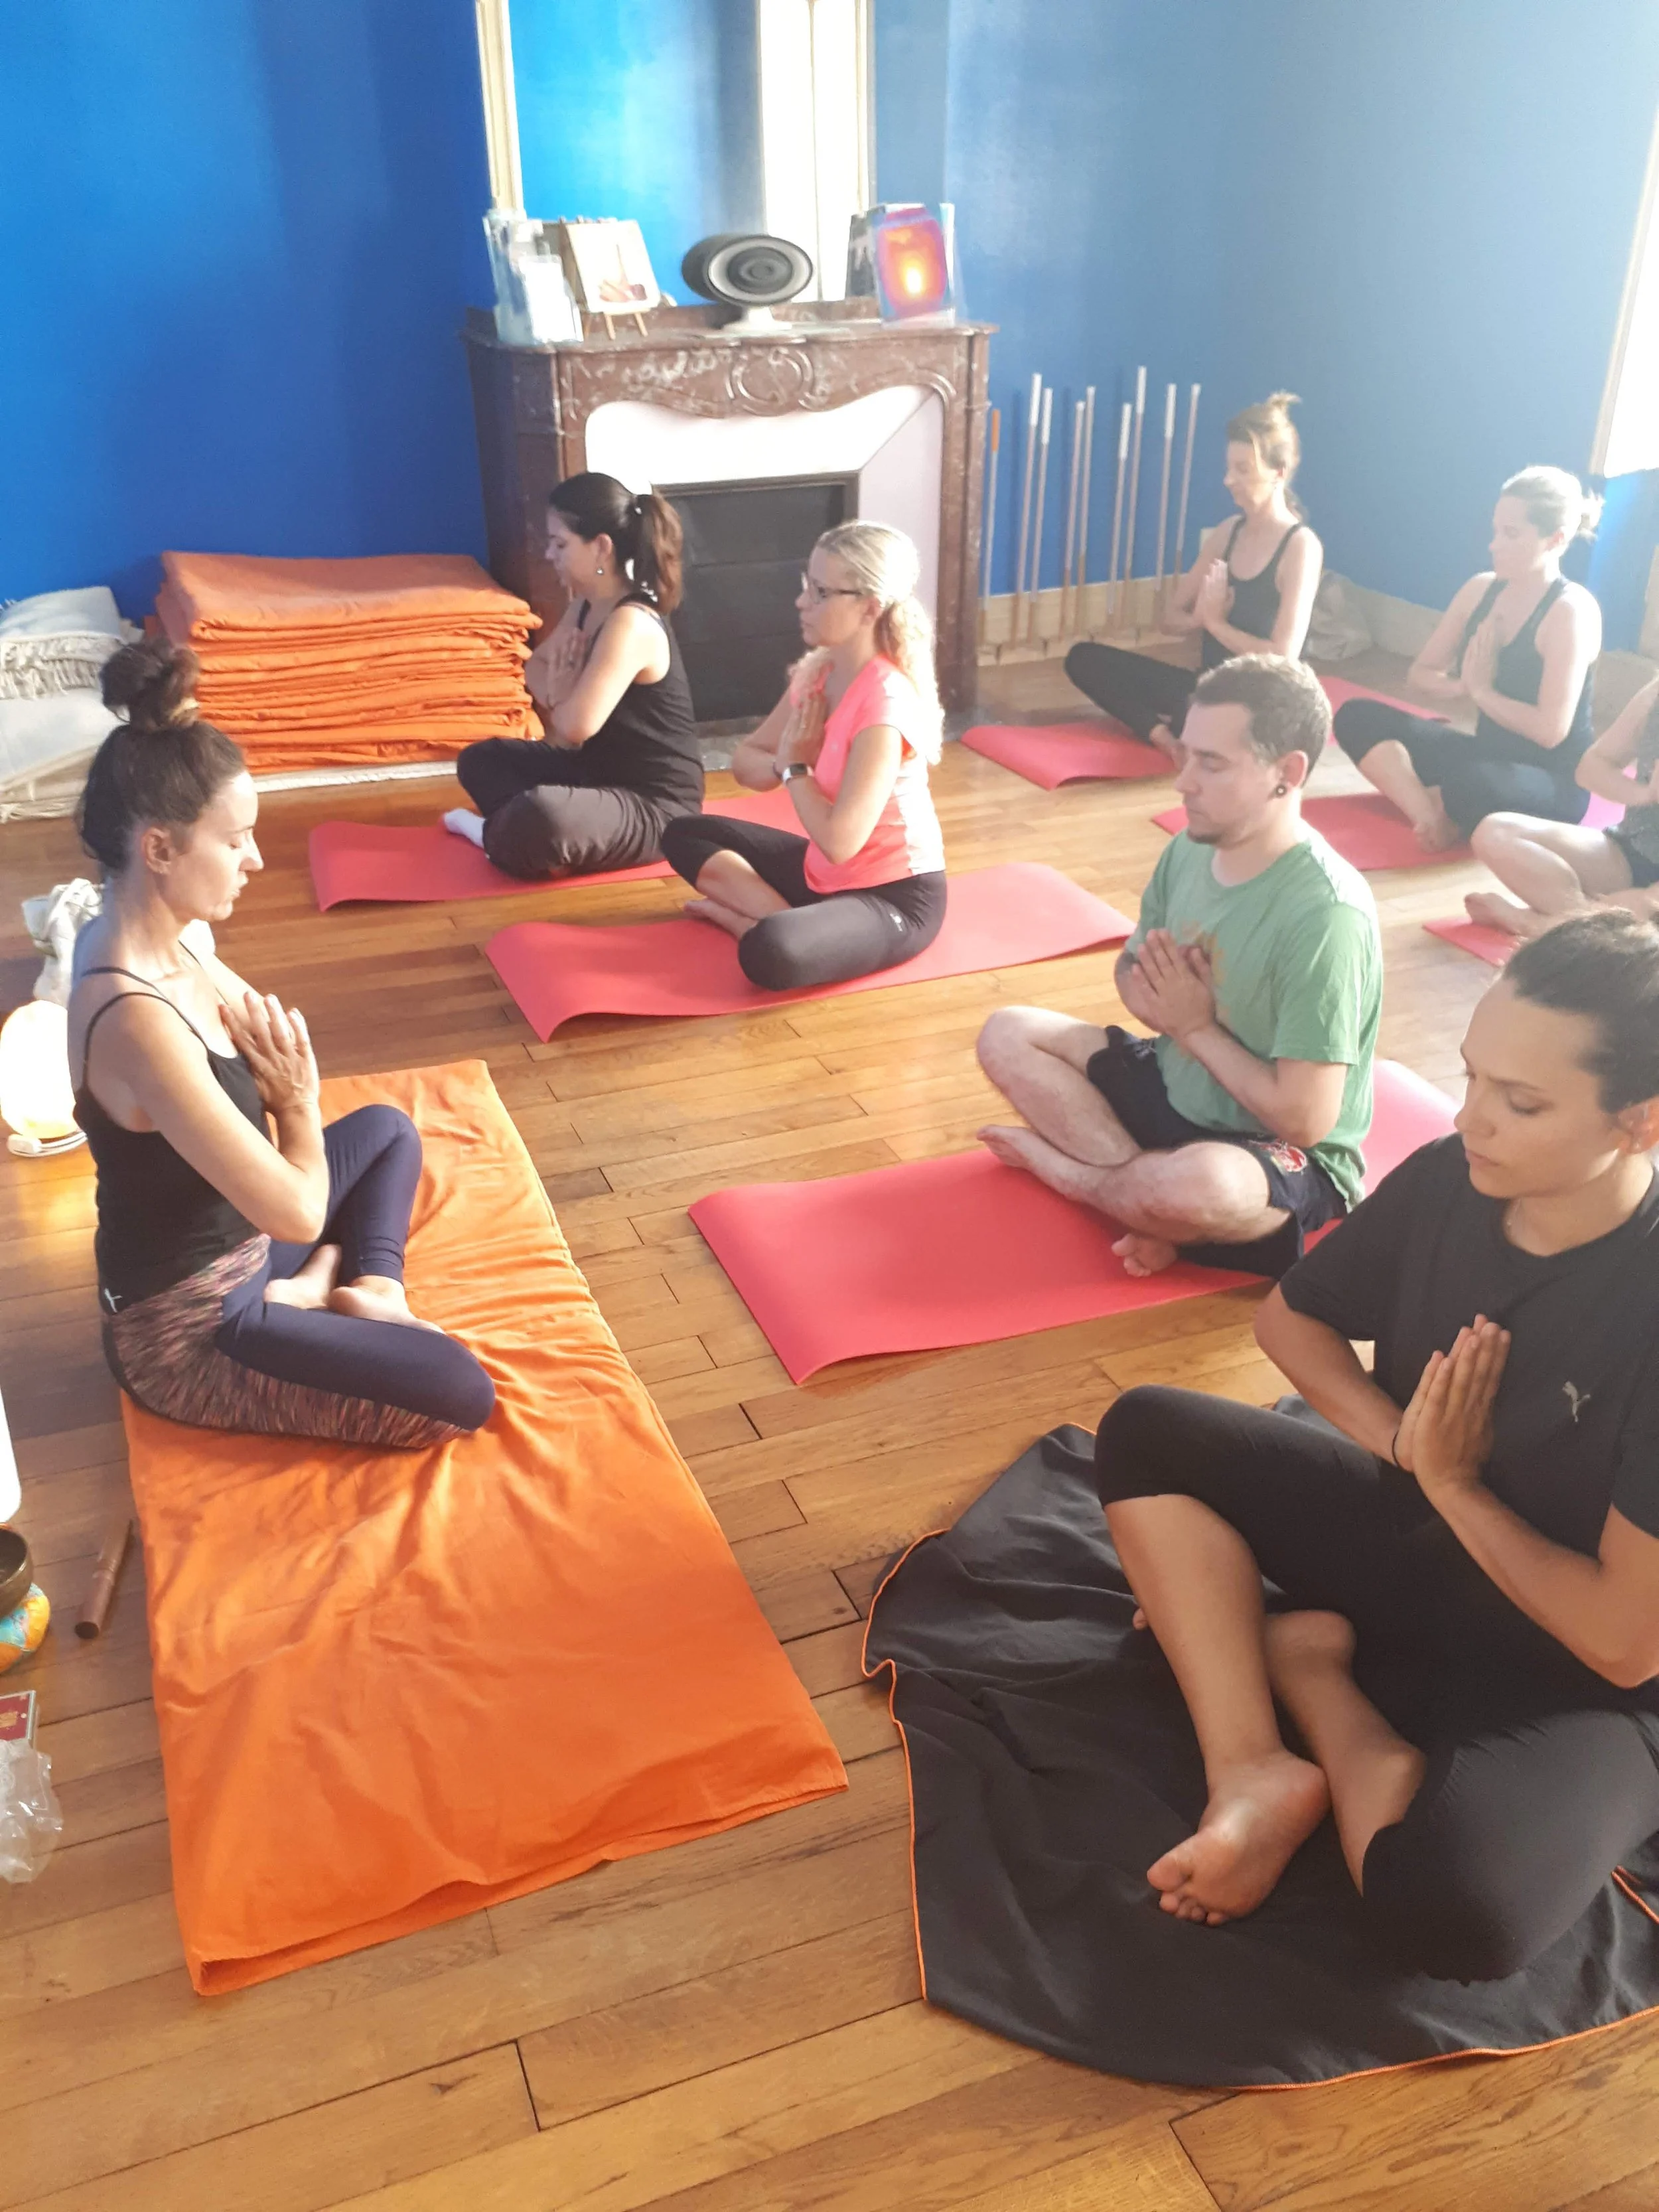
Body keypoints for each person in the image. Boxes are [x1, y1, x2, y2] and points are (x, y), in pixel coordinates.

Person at [1093, 910, 1659, 1981]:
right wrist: (1400, 1445)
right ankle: (1253, 1769)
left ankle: (1309, 1671)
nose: (1471, 1116)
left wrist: (1456, 1482)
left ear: (1642, 1121)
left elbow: (1626, 1645)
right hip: (1424, 1534)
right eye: (1473, 1076)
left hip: (1581, 1668)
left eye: (1520, 1101)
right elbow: (1291, 1320)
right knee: (1146, 1431)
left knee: (1459, 1914)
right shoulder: (1453, 1175)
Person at [70, 640, 495, 1448]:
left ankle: (366, 1289)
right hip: (191, 1329)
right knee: (459, 1394)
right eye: (236, 840)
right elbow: (298, 1203)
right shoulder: (133, 1019)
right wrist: (296, 1106)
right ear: (159, 848)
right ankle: (305, 1291)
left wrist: (291, 1093)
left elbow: (271, 1041)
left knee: (387, 1131)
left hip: (251, 1236)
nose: (257, 860)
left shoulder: (171, 939)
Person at [976, 654, 1380, 1279]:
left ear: (1288, 772)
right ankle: (1147, 1205)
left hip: (1268, 1150)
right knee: (1007, 1032)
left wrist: (1194, 1027)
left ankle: (1079, 1178)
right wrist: (1150, 995)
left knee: (1202, 1186)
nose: (1183, 783)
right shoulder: (1190, 848)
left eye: (1211, 763)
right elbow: (1131, 970)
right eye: (1186, 755)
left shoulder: (1327, 916)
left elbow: (1306, 1121)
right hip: (1176, 1083)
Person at [660, 520, 947, 993]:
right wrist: (785, 762)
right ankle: (789, 919)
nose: (800, 602)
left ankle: (758, 924)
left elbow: (840, 841)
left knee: (772, 952)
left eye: (820, 592)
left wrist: (795, 768)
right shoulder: (820, 673)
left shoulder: (885, 706)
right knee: (684, 833)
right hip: (822, 875)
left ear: (870, 607)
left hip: (893, 897)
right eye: (806, 585)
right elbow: (746, 761)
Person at [445, 472, 701, 878]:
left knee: (544, 811)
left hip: (658, 808)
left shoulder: (631, 623)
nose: (550, 554)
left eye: (560, 544)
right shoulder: (584, 605)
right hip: (595, 776)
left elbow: (572, 731)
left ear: (601, 547)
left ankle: (494, 835)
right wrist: (557, 694)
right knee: (481, 760)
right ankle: (527, 837)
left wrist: (561, 692)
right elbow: (534, 667)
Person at [1333, 467, 1602, 851]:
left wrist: (1482, 691)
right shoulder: (1480, 590)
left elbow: (1550, 730)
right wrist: (1462, 686)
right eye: (1496, 531)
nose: (1494, 545)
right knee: (1357, 715)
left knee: (1470, 783)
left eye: (1511, 534)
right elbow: (1421, 674)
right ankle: (1429, 817)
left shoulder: (1569, 611)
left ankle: (1445, 806)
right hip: (1488, 754)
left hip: (1553, 781)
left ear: (1555, 540)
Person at [1064, 394, 1323, 761]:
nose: (1229, 480)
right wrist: (1200, 618)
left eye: (1243, 469)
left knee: (1200, 715)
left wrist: (1216, 624)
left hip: (1264, 704)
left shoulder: (1300, 546)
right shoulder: (1228, 532)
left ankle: (1190, 732)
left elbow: (1283, 657)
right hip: (1210, 689)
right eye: (1229, 468)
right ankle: (1165, 738)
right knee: (1083, 658)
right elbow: (1170, 619)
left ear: (1278, 472)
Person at [1465, 674, 1659, 940]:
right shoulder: (1654, 694)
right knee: (1495, 832)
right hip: (1633, 851)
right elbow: (1592, 767)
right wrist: (1645, 794)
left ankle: (1540, 924)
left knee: (1644, 905)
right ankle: (1589, 928)